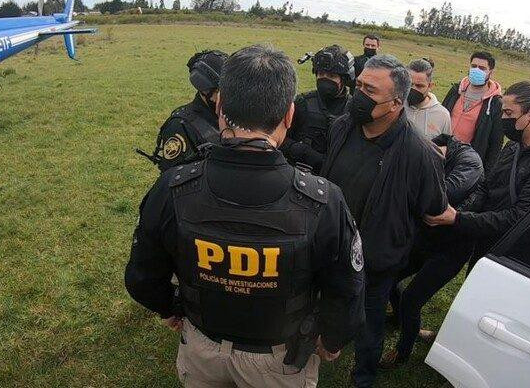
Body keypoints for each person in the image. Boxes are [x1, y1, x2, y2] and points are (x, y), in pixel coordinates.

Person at [125, 45, 366, 388]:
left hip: (202, 349)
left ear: (220, 108)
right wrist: (332, 342)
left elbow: (142, 276)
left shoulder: (173, 187)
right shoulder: (324, 201)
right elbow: (347, 289)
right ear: (288, 115)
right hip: (279, 363)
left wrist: (169, 308)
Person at [321, 54, 447, 388]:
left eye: (369, 90)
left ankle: (363, 376)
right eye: (359, 84)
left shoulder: (420, 155)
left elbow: (433, 207)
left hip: (376, 263)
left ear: (394, 104)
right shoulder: (341, 127)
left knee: (369, 326)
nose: (358, 94)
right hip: (329, 247)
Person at [426, 81, 530, 275]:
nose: (503, 118)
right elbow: (487, 186)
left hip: (511, 254)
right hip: (486, 237)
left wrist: (458, 219)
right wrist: (459, 211)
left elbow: (520, 217)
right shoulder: (513, 146)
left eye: (509, 113)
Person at [381, 133, 483, 368]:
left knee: (412, 298)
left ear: (442, 148)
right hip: (426, 237)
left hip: (452, 248)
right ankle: (401, 319)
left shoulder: (469, 161)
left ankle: (403, 350)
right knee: (390, 277)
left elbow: (444, 195)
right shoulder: (436, 156)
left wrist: (409, 191)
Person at [142, 50, 228, 172]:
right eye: (219, 92)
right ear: (204, 90)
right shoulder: (180, 127)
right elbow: (173, 179)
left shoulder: (234, 116)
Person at [281, 44, 354, 171]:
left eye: (331, 76)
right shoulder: (302, 103)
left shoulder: (353, 110)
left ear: (344, 79)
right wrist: (301, 151)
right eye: (321, 74)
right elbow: (279, 138)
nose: (325, 79)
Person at [441, 51, 503, 173]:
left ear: (490, 71)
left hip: (465, 163)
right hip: (441, 151)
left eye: (482, 68)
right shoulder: (456, 90)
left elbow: (495, 144)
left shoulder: (496, 104)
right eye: (473, 66)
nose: (476, 70)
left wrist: (485, 173)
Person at [405, 58, 451, 140]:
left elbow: (443, 147)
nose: (413, 89)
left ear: (430, 86)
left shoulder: (442, 115)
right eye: (410, 84)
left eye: (419, 86)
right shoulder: (395, 105)